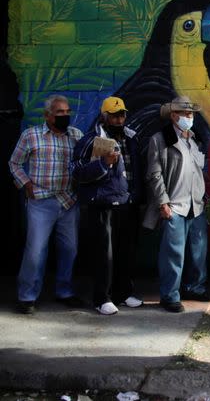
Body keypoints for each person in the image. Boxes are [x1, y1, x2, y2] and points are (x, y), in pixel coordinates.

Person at [9, 95, 84, 314]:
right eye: (60, 112)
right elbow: (14, 163)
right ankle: (27, 296)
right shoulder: (31, 135)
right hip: (41, 201)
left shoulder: (76, 136)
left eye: (67, 111)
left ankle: (64, 291)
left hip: (69, 201)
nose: (65, 116)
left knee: (69, 249)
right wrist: (25, 183)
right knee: (35, 251)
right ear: (47, 115)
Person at [71, 96, 144, 315]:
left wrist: (137, 195)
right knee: (105, 253)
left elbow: (137, 170)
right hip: (102, 204)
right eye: (113, 115)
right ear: (104, 116)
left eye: (121, 114)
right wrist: (103, 164)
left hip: (127, 203)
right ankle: (101, 297)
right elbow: (76, 171)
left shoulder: (132, 137)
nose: (119, 119)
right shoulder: (92, 139)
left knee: (126, 251)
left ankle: (123, 293)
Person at [144, 96, 210, 313]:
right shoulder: (160, 139)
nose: (189, 117)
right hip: (174, 204)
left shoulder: (195, 138)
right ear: (173, 116)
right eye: (184, 113)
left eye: (191, 114)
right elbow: (154, 174)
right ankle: (170, 295)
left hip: (196, 204)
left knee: (198, 251)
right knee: (173, 253)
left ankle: (195, 287)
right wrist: (163, 202)